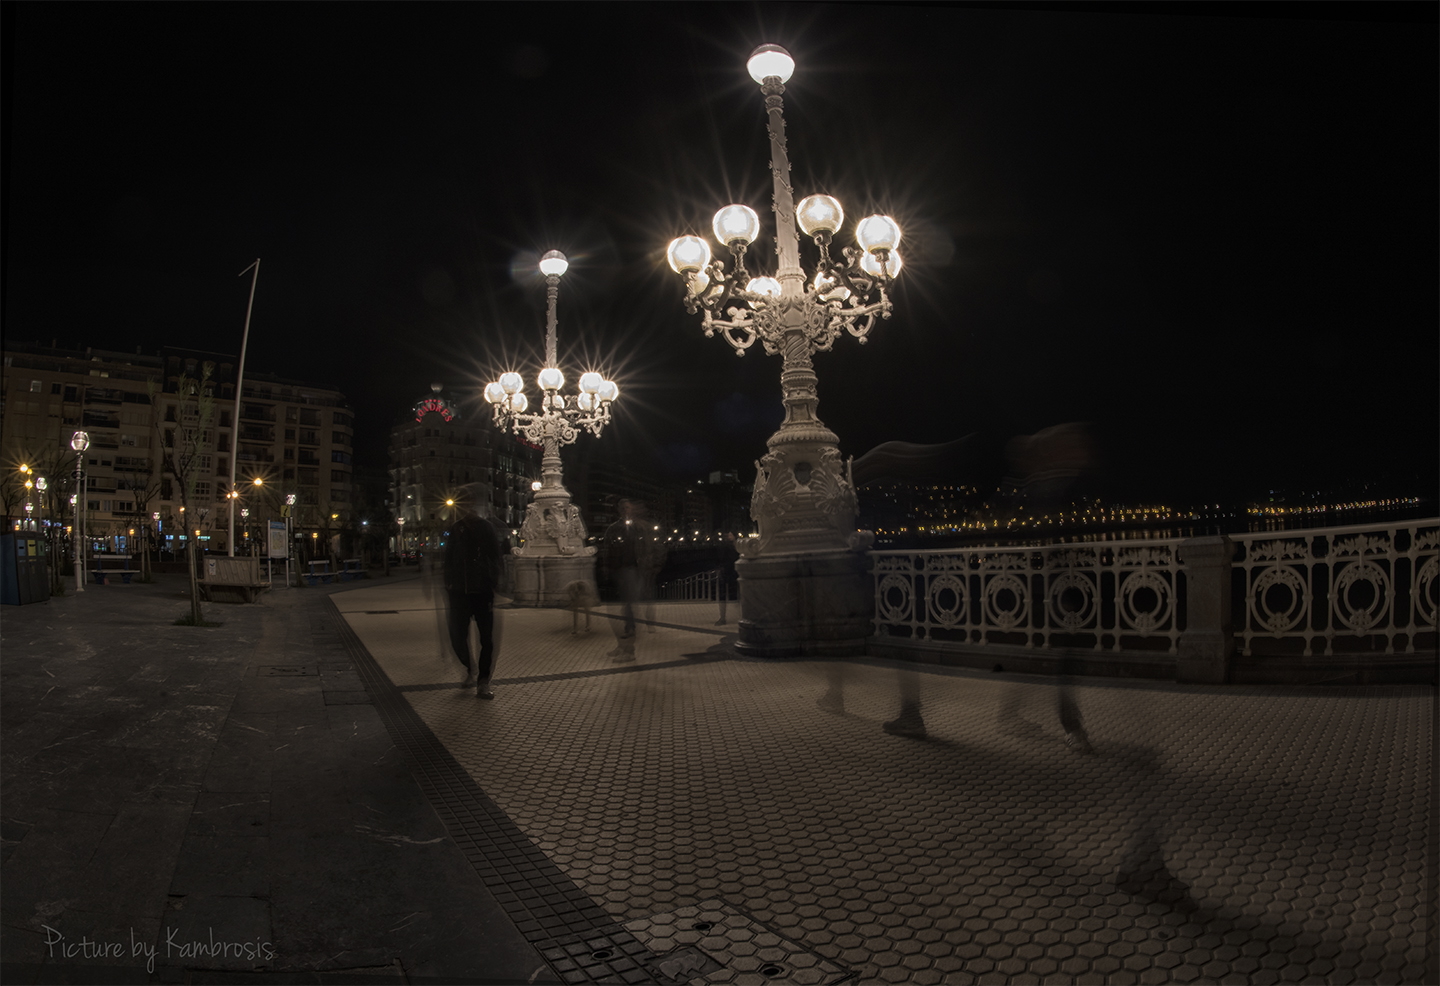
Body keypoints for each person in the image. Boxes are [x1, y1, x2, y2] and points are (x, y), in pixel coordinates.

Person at [443, 508, 502, 698]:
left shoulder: (487, 528)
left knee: (486, 638)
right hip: (459, 592)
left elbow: (496, 556)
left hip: (482, 591)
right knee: (457, 636)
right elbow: (448, 557)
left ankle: (483, 682)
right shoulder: (456, 528)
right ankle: (470, 667)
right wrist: (449, 583)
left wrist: (493, 582)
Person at [601, 499, 642, 660]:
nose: (625, 510)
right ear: (618, 509)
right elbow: (608, 548)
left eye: (628, 508)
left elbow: (642, 549)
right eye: (623, 508)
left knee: (628, 608)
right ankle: (622, 646)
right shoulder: (614, 528)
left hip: (630, 570)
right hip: (619, 570)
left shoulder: (636, 528)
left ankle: (628, 650)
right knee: (622, 608)